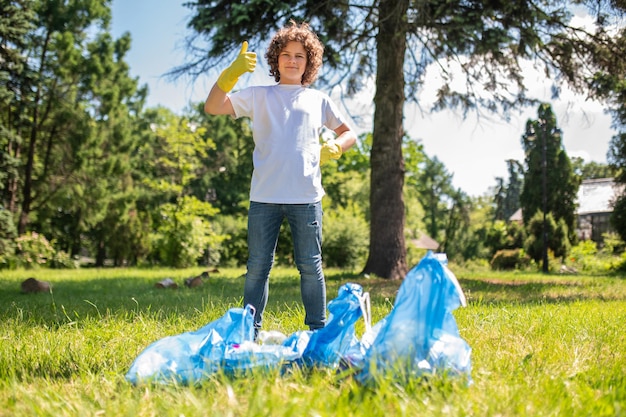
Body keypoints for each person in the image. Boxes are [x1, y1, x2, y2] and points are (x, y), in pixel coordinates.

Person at [204, 21, 357, 334]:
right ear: (275, 60)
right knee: (257, 267)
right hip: (264, 197)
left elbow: (349, 132)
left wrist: (336, 147)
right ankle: (250, 331)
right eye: (286, 54)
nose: (292, 60)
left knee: (311, 267)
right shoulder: (259, 95)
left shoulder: (318, 99)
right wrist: (229, 76)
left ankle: (318, 332)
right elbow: (213, 106)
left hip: (306, 197)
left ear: (309, 62)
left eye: (300, 56)